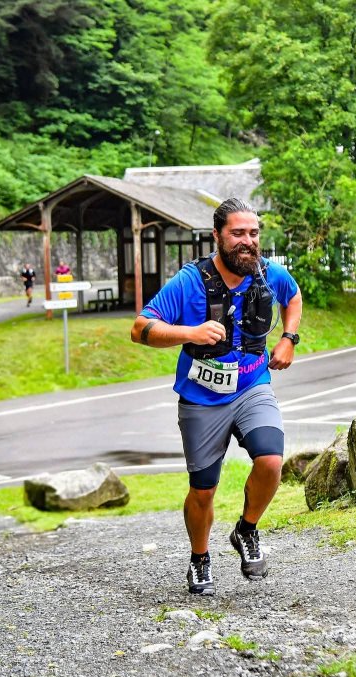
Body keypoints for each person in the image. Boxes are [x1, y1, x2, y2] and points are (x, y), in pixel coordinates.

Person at [130, 198, 302, 596]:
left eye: (253, 233)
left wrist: (289, 338)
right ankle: (200, 558)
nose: (248, 241)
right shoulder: (189, 282)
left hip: (252, 386)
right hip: (202, 398)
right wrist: (189, 333)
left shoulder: (268, 273)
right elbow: (140, 328)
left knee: (271, 461)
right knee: (204, 489)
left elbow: (292, 297)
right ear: (217, 236)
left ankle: (246, 529)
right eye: (237, 233)